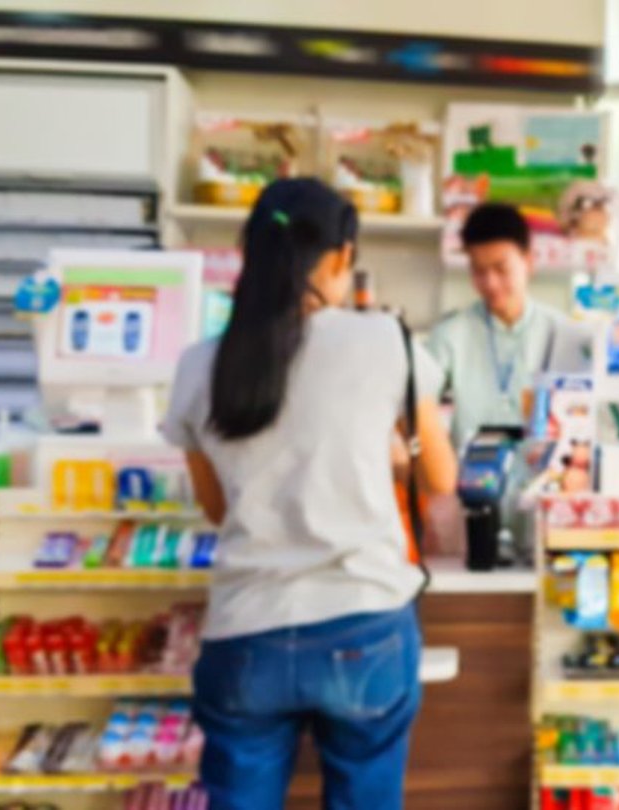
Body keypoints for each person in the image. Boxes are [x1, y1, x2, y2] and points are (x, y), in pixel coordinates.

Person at [161, 178, 457, 810]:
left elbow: (219, 509)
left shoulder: (199, 364)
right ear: (342, 257)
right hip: (365, 623)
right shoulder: (386, 340)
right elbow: (442, 475)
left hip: (245, 632)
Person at [428, 202, 590, 449]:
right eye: (479, 270)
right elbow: (416, 405)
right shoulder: (449, 336)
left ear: (528, 261)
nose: (490, 283)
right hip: (469, 482)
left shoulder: (564, 333)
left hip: (544, 480)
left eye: (501, 268)